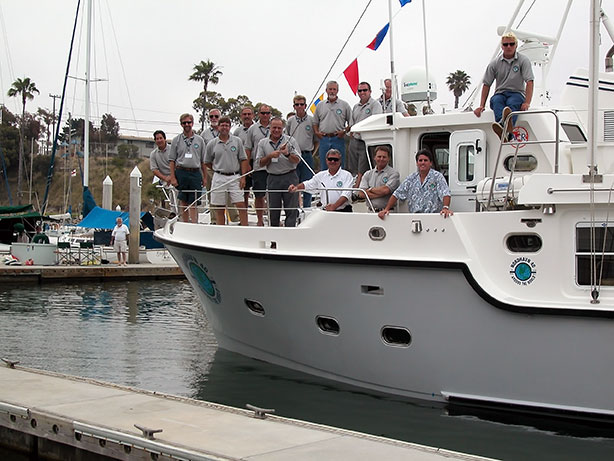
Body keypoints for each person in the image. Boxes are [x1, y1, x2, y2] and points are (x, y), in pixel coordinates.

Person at [473, 31, 534, 138]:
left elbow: (529, 81)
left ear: (516, 45)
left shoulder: (523, 61)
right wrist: (481, 105)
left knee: (512, 102)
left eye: (511, 44)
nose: (509, 47)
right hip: (500, 93)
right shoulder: (494, 63)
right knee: (496, 101)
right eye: (506, 44)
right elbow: (486, 84)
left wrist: (527, 102)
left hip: (517, 93)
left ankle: (506, 130)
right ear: (502, 46)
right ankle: (503, 128)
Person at [378, 149, 453, 219]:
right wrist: (386, 209)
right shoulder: (411, 178)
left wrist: (445, 208)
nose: (422, 162)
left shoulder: (438, 177)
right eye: (420, 160)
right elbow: (397, 194)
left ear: (430, 163)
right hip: (415, 218)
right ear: (417, 163)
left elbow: (445, 193)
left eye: (425, 160)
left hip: (433, 218)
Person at [204, 116, 249, 226]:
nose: (224, 128)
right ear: (218, 127)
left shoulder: (237, 141)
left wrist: (243, 177)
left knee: (240, 204)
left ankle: (245, 228)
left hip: (234, 176)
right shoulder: (212, 143)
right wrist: (217, 168)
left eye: (227, 125)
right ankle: (221, 230)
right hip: (218, 176)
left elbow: (243, 159)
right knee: (219, 207)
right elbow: (207, 161)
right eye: (222, 125)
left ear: (230, 127)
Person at [257, 117, 301, 227]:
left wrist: (287, 154)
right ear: (269, 128)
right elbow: (260, 163)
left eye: (279, 128)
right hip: (273, 178)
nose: (276, 130)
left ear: (283, 129)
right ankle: (274, 241)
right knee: (273, 211)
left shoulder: (291, 141)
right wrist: (270, 156)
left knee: (291, 211)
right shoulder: (263, 143)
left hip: (290, 177)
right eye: (274, 128)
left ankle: (289, 238)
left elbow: (298, 160)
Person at [169, 113, 207, 223]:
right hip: (181, 172)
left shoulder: (200, 140)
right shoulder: (176, 140)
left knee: (194, 201)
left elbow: (203, 161)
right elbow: (172, 160)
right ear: (181, 124)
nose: (187, 124)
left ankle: (194, 223)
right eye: (184, 122)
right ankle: (185, 223)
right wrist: (172, 177)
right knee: (183, 200)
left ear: (192, 123)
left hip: (195, 173)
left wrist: (205, 178)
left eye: (189, 122)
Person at [289, 149, 354, 212]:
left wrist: (334, 206)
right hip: (326, 211)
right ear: (326, 160)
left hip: (344, 211)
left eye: (335, 159)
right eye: (330, 159)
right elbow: (307, 184)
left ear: (340, 161)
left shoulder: (347, 175)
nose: (332, 161)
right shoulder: (320, 175)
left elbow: (346, 195)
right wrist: (296, 187)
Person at [285, 95, 317, 208]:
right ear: (294, 106)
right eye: (297, 104)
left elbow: (316, 140)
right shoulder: (290, 122)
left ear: (305, 105)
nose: (299, 106)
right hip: (293, 157)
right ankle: (295, 209)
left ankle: (307, 209)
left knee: (308, 184)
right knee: (293, 183)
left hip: (307, 155)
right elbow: (286, 138)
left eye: (302, 104)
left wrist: (311, 153)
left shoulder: (312, 120)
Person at [313, 81, 351, 170]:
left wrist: (344, 131)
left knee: (340, 166)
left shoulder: (344, 105)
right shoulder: (320, 105)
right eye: (330, 89)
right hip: (324, 140)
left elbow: (351, 123)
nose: (332, 91)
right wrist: (317, 132)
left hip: (338, 139)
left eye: (334, 89)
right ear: (326, 90)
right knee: (324, 166)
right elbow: (315, 122)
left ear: (337, 91)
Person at [245, 104, 272, 226]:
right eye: (263, 113)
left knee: (273, 195)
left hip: (275, 168)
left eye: (267, 113)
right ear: (258, 114)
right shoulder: (253, 129)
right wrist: (247, 165)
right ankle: (260, 220)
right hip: (259, 167)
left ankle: (273, 220)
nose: (265, 115)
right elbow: (248, 148)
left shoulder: (275, 127)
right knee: (259, 195)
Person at [349, 81, 383, 179]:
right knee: (353, 169)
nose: (362, 92)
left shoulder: (375, 105)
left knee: (363, 170)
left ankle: (361, 190)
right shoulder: (355, 106)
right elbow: (352, 124)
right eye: (360, 90)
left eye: (365, 90)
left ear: (370, 91)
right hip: (354, 141)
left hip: (367, 142)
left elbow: (376, 122)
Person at [357, 146, 400, 212]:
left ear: (388, 158)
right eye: (379, 156)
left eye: (384, 157)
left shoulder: (394, 174)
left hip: (387, 213)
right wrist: (380, 193)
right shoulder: (368, 174)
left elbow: (386, 190)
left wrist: (370, 190)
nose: (381, 159)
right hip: (371, 212)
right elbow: (361, 193)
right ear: (374, 157)